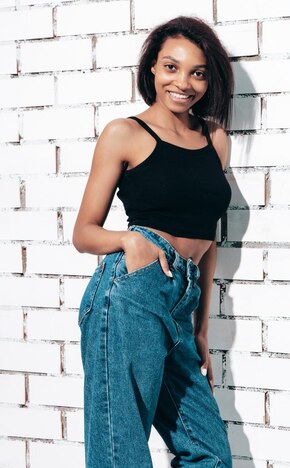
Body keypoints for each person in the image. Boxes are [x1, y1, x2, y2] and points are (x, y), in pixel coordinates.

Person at [72, 15, 233, 468]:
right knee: (121, 454)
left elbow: (209, 236)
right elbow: (84, 233)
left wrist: (202, 328)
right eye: (171, 67)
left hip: (182, 304)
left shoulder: (214, 139)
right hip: (133, 292)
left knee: (211, 455)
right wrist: (128, 241)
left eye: (197, 72)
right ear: (151, 71)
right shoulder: (125, 133)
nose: (183, 82)